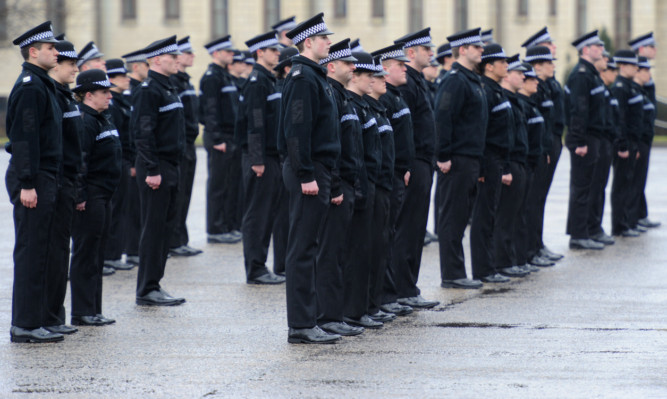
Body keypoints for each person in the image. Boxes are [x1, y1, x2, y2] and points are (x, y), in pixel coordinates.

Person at [279, 13, 341, 344]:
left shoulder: (315, 76)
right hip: (309, 170)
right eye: (324, 39)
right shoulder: (303, 78)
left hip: (318, 168)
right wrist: (305, 173)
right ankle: (301, 324)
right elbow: (296, 131)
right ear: (308, 43)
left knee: (311, 245)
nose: (329, 43)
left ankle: (311, 318)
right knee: (302, 248)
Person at [6, 21, 64, 343]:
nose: (56, 52)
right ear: (34, 51)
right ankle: (25, 325)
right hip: (33, 178)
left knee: (40, 249)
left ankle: (36, 318)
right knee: (31, 250)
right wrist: (28, 183)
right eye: (51, 48)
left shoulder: (43, 84)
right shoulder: (31, 86)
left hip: (44, 175)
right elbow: (25, 139)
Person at [132, 35, 187, 306]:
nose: (178, 60)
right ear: (156, 60)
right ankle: (146, 288)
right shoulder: (148, 90)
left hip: (170, 165)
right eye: (172, 57)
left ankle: (155, 283)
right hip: (156, 168)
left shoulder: (168, 87)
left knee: (166, 228)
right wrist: (152, 168)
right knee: (154, 228)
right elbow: (143, 133)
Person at [315, 38, 364, 336]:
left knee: (340, 252)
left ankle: (337, 313)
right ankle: (327, 316)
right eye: (348, 63)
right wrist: (334, 186)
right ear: (332, 66)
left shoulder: (340, 95)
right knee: (329, 253)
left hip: (347, 182)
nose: (353, 68)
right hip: (336, 184)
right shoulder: (330, 94)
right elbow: (329, 146)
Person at [435, 28, 488, 289]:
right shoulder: (455, 80)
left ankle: (457, 271)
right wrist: (443, 155)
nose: (481, 50)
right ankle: (452, 274)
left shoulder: (470, 79)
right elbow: (443, 117)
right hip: (456, 159)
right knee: (452, 218)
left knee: (460, 216)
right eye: (476, 47)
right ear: (463, 50)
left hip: (470, 158)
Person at [390, 28, 439, 308]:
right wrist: (405, 165)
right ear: (411, 53)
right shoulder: (407, 84)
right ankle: (403, 289)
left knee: (416, 228)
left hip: (423, 162)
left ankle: (408, 287)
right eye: (426, 49)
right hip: (414, 163)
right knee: (407, 228)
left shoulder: (417, 81)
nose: (431, 53)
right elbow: (402, 128)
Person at [69, 69, 122, 326]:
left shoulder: (102, 118)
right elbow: (80, 162)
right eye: (104, 92)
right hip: (90, 196)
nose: (110, 96)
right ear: (88, 95)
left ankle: (94, 308)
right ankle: (82, 311)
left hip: (104, 194)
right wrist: (79, 196)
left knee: (97, 253)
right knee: (86, 253)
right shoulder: (85, 121)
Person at [470, 43, 525, 285]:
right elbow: (481, 131)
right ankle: (483, 269)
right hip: (489, 159)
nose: (507, 65)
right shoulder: (486, 91)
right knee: (484, 216)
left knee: (491, 215)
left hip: (498, 159)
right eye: (502, 62)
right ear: (489, 66)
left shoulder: (496, 90)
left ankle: (490, 265)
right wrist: (484, 167)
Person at [234, 30, 285, 285]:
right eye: (273, 50)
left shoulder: (269, 79)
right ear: (259, 53)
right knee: (258, 214)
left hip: (271, 156)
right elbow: (254, 123)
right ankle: (255, 269)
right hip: (260, 158)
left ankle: (261, 265)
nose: (278, 53)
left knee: (268, 213)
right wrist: (257, 160)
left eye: (277, 50)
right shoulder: (257, 82)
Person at [43, 34, 83, 337]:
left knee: (59, 252)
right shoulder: (48, 93)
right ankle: (43, 317)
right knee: (47, 253)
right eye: (71, 64)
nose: (75, 70)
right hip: (53, 179)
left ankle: (55, 315)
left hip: (67, 179)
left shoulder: (64, 94)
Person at [342, 51, 385, 329]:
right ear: (354, 76)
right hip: (359, 183)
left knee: (368, 248)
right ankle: (351, 310)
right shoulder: (351, 106)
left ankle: (364, 307)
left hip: (373, 183)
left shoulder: (364, 106)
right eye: (368, 75)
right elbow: (351, 151)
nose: (373, 80)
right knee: (355, 250)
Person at [372, 43, 415, 316]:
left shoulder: (395, 96)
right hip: (390, 175)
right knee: (383, 238)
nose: (405, 68)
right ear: (386, 69)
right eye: (400, 64)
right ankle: (386, 295)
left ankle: (390, 294)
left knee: (390, 236)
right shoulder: (384, 99)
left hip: (399, 173)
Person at [521, 27, 565, 263]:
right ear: (537, 65)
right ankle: (530, 249)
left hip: (550, 144)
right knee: (532, 200)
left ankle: (537, 245)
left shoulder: (549, 84)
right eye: (549, 60)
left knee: (539, 199)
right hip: (540, 148)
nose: (553, 64)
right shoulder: (533, 87)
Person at [564, 30, 607, 250]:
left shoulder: (590, 74)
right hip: (585, 138)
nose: (601, 49)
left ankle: (585, 231)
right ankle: (579, 235)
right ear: (586, 50)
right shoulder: (581, 75)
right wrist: (579, 141)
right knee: (581, 187)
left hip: (593, 137)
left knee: (588, 186)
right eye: (597, 46)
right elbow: (578, 111)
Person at [200, 35, 242, 244]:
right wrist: (216, 138)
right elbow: (209, 111)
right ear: (216, 53)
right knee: (218, 185)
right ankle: (215, 229)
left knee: (229, 184)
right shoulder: (211, 77)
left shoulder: (225, 76)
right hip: (220, 138)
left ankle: (226, 225)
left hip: (230, 136)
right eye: (228, 52)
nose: (232, 54)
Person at [494, 55, 532, 278]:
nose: (523, 77)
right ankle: (503, 261)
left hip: (520, 160)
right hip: (509, 162)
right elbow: (503, 136)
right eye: (519, 73)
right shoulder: (504, 98)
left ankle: (512, 259)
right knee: (505, 216)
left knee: (516, 214)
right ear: (507, 76)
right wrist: (506, 167)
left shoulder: (514, 99)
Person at [365, 56, 396, 323]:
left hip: (385, 185)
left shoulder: (377, 109)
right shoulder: (362, 108)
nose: (385, 80)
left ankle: (374, 304)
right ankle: (361, 307)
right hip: (370, 186)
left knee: (380, 245)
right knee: (365, 248)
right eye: (379, 77)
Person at [168, 36, 203, 257]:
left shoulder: (185, 81)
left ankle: (181, 238)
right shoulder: (174, 83)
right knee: (178, 196)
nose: (192, 56)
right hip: (181, 145)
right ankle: (174, 241)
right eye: (188, 53)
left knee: (186, 194)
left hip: (190, 144)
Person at [103, 59, 136, 271]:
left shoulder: (122, 102)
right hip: (119, 161)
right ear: (112, 80)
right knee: (115, 210)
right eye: (123, 76)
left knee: (122, 209)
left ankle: (116, 253)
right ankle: (110, 255)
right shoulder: (112, 105)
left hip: (125, 160)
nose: (127, 79)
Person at [515, 63, 548, 273]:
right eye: (532, 79)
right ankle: (523, 256)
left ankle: (530, 253)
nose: (537, 82)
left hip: (532, 163)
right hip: (523, 163)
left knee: (529, 209)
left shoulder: (529, 104)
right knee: (521, 212)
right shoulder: (522, 105)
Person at [271, 46, 298, 277]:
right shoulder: (283, 89)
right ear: (288, 68)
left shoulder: (288, 87)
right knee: (282, 216)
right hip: (281, 159)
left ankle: (284, 264)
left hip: (283, 158)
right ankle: (281, 265)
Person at [628, 32, 660, 229]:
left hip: (645, 133)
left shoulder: (644, 73)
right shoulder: (636, 74)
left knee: (640, 177)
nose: (655, 50)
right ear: (641, 50)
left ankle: (640, 214)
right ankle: (633, 217)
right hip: (637, 135)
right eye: (651, 47)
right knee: (634, 178)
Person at [120, 48, 148, 267]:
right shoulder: (132, 92)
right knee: (131, 208)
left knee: (138, 207)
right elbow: (131, 131)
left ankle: (135, 248)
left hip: (134, 157)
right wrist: (131, 161)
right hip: (129, 159)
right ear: (136, 66)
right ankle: (131, 249)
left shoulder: (140, 89)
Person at [586, 52, 617, 246]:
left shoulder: (606, 90)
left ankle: (595, 227)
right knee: (593, 188)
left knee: (600, 188)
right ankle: (590, 228)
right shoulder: (595, 86)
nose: (613, 73)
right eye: (610, 70)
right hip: (598, 139)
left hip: (605, 141)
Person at [610, 50, 641, 237]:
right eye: (632, 65)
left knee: (628, 182)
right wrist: (622, 145)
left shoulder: (630, 86)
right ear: (622, 66)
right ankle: (619, 225)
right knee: (621, 184)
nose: (636, 68)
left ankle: (626, 221)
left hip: (632, 141)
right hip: (625, 142)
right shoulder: (620, 87)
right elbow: (619, 118)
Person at [631, 57, 656, 234]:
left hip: (643, 141)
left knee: (638, 182)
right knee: (631, 183)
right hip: (637, 142)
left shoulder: (642, 90)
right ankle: (629, 220)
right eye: (645, 70)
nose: (649, 74)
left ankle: (635, 218)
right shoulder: (631, 90)